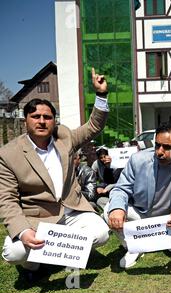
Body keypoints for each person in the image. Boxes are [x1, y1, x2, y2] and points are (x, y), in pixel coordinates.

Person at [0, 68, 110, 280]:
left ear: (54, 121)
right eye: (35, 116)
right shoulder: (8, 154)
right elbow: (7, 200)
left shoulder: (65, 136)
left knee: (102, 233)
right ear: (26, 121)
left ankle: (59, 251)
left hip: (71, 211)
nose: (41, 121)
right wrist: (23, 231)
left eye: (47, 117)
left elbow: (94, 126)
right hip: (37, 218)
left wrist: (101, 95)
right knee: (14, 253)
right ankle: (40, 261)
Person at [105, 121, 171, 268]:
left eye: (167, 147)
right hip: (142, 215)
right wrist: (117, 209)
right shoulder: (138, 160)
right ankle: (134, 246)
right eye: (157, 145)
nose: (159, 151)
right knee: (109, 209)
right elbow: (121, 189)